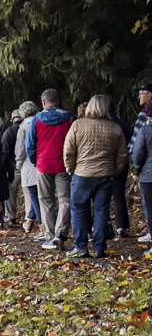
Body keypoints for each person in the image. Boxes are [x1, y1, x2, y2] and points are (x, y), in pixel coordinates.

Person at [63, 94, 128, 258]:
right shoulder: (115, 128)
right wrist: (115, 170)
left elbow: (68, 150)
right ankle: (99, 248)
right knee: (101, 211)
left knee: (79, 210)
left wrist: (70, 168)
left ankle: (81, 246)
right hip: (105, 175)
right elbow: (122, 155)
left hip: (82, 174)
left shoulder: (78, 125)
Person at [26, 89, 74, 250]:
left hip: (43, 163)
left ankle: (50, 235)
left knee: (46, 200)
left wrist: (35, 161)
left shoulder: (37, 119)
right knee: (65, 199)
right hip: (63, 164)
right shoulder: (68, 118)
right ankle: (61, 233)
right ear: (58, 100)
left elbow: (30, 144)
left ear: (43, 102)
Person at [14, 101, 43, 237]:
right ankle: (29, 221)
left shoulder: (23, 127)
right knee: (40, 195)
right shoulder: (41, 122)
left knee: (34, 196)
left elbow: (20, 149)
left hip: (28, 164)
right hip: (42, 161)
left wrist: (18, 164)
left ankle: (42, 226)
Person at [107, 100, 133, 238]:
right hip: (121, 163)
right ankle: (121, 226)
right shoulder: (122, 124)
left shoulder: (104, 125)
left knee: (102, 197)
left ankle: (104, 225)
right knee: (119, 195)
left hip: (105, 163)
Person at [130, 92, 152, 254]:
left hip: (149, 175)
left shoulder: (145, 129)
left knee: (150, 209)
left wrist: (138, 167)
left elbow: (137, 152)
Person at [1, 109, 23, 226]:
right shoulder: (29, 127)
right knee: (31, 193)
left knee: (11, 192)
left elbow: (4, 151)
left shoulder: (9, 131)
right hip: (28, 166)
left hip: (13, 167)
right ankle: (33, 217)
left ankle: (11, 217)